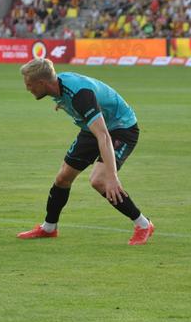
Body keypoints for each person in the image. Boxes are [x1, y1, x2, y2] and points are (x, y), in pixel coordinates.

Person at [17, 58, 154, 245]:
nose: (28, 89)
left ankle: (143, 224)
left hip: (120, 129)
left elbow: (104, 136)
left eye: (30, 85)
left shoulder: (81, 95)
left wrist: (112, 177)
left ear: (42, 83)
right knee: (63, 178)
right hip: (93, 127)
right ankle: (49, 228)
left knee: (100, 180)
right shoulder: (58, 84)